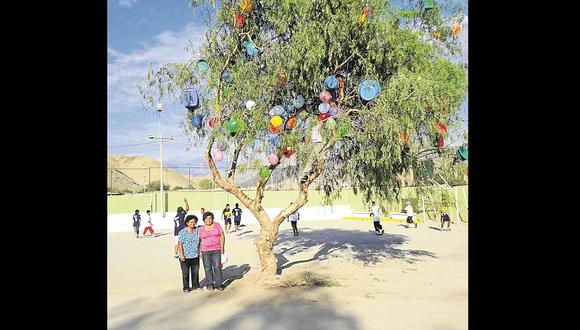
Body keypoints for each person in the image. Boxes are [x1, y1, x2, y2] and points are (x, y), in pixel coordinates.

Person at [199, 211, 225, 291]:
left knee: (217, 266)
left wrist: (222, 247)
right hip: (205, 250)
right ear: (204, 220)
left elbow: (222, 236)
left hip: (216, 249)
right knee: (207, 268)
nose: (208, 220)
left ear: (212, 219)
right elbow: (199, 240)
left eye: (210, 218)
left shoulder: (217, 225)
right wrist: (200, 251)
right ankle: (210, 284)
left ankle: (219, 284)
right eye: (206, 218)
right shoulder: (201, 228)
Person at [178, 215, 201, 293]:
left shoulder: (198, 231)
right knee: (185, 273)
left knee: (195, 272)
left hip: (195, 255)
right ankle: (186, 287)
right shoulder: (182, 232)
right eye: (191, 222)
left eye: (194, 222)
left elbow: (200, 242)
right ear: (187, 223)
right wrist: (181, 255)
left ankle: (196, 285)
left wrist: (200, 251)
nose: (193, 223)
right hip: (185, 256)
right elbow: (180, 244)